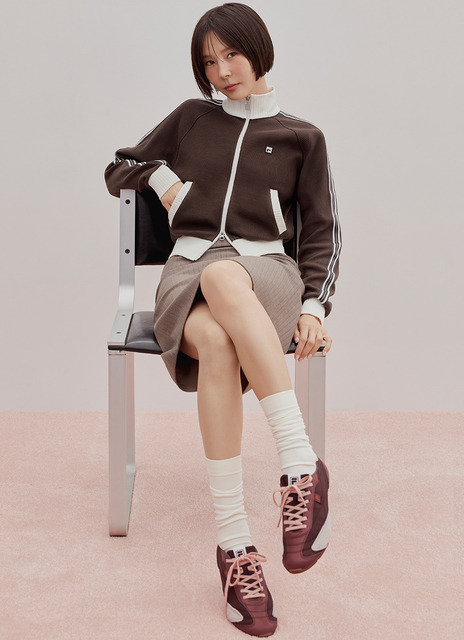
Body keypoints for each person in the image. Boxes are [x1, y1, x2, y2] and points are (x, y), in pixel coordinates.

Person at [105, 3, 341, 636]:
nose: (222, 71)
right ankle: (238, 545)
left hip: (268, 276)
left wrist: (314, 306)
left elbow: (321, 230)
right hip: (189, 272)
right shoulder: (192, 118)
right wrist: (160, 177)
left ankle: (296, 466)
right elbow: (117, 168)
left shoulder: (302, 138)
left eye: (231, 54)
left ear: (258, 49)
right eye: (209, 62)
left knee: (226, 275)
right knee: (212, 336)